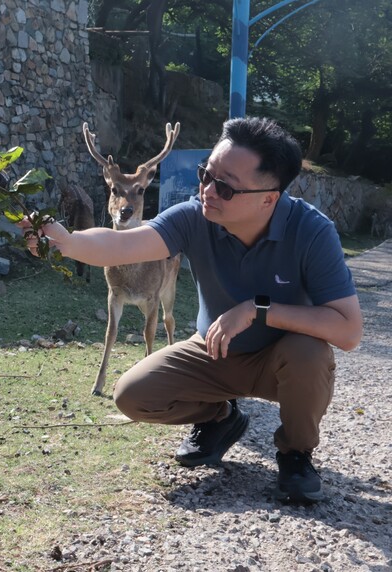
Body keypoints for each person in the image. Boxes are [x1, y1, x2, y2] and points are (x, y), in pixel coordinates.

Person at [22, 116, 363, 502]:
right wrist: (65, 241)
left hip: (280, 361)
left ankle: (296, 453)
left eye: (225, 187)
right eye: (206, 175)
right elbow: (121, 245)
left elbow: (348, 330)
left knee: (311, 352)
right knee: (132, 395)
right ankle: (219, 418)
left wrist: (257, 309)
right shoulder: (194, 215)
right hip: (212, 351)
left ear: (270, 197)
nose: (207, 191)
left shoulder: (312, 231)